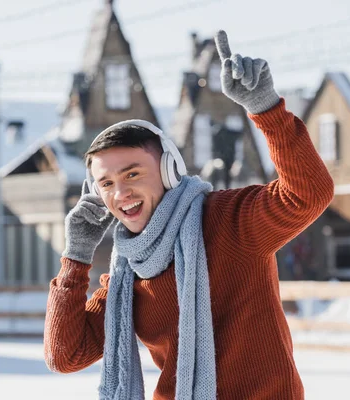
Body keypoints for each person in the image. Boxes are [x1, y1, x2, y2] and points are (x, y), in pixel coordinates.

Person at [43, 30, 334, 400]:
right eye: (106, 183)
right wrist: (77, 254)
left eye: (133, 173)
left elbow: (309, 193)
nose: (120, 193)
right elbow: (65, 355)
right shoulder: (127, 273)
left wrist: (267, 110)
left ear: (169, 170)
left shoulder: (230, 221)